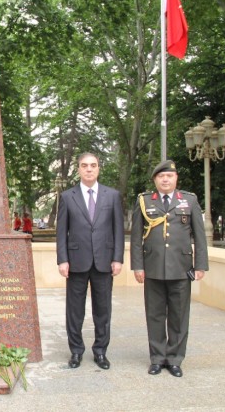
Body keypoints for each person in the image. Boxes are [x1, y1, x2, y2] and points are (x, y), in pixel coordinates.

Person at [130, 159, 208, 378]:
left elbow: (200, 237)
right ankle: (157, 358)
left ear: (176, 179)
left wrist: (200, 265)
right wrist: (138, 266)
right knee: (154, 315)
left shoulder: (189, 200)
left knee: (179, 315)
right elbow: (136, 238)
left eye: (169, 176)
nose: (165, 179)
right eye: (161, 176)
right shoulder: (145, 201)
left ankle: (174, 359)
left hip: (181, 268)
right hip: (152, 267)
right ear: (155, 180)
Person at [57, 152, 124, 370]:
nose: (89, 169)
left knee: (103, 310)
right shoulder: (68, 197)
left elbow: (118, 230)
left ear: (98, 169)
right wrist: (62, 259)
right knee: (75, 311)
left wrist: (117, 258)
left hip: (104, 261)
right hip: (76, 262)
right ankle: (76, 351)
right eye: (84, 165)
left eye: (93, 165)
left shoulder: (112, 196)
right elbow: (61, 232)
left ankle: (100, 352)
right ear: (78, 169)